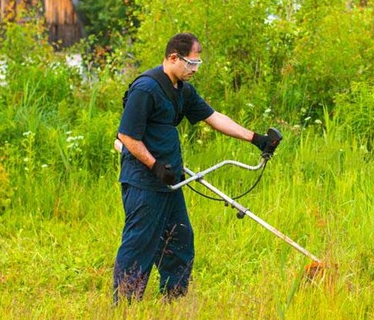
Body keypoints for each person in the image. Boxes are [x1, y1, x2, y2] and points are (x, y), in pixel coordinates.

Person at [114, 32, 272, 303]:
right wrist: (154, 166)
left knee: (179, 241)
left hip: (170, 181)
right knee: (140, 243)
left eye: (198, 64)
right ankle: (125, 308)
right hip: (144, 180)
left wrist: (256, 139)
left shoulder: (182, 90)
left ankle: (172, 300)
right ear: (174, 57)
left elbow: (213, 117)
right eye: (191, 63)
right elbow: (127, 136)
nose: (195, 69)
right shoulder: (145, 89)